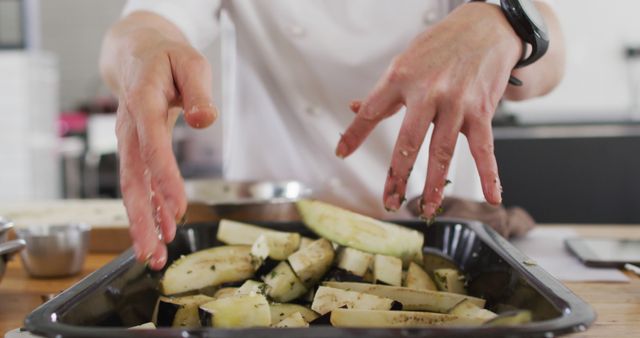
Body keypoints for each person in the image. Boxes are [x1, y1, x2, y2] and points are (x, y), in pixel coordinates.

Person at [100, 0, 565, 269]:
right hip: (268, 240)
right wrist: (142, 50)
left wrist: (509, 26)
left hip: (434, 242)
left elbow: (552, 55)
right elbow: (143, 23)